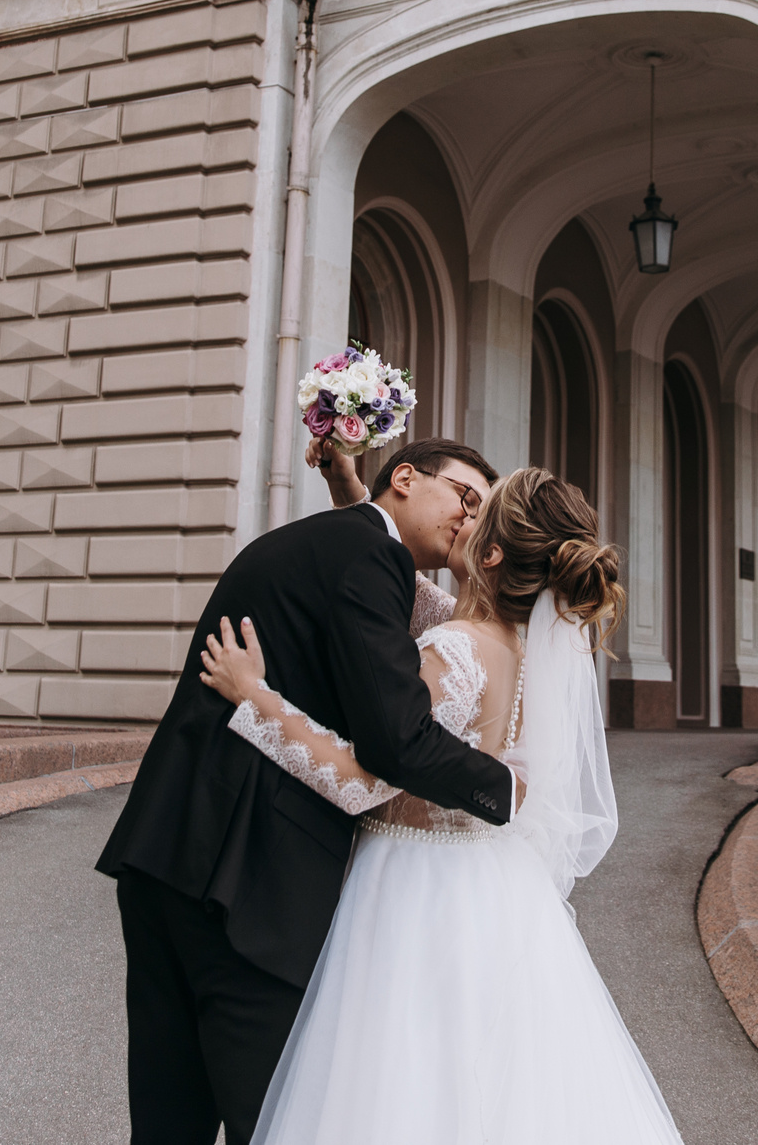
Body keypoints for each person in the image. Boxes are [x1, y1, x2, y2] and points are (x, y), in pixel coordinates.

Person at [200, 467, 685, 1144]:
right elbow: (407, 585)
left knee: (399, 1077)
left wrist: (255, 697)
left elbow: (366, 782)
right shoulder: (515, 646)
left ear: (490, 554)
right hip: (490, 879)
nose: (461, 517)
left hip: (411, 881)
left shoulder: (455, 651)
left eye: (477, 511)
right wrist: (356, 495)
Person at [94, 438, 516, 1145]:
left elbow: (428, 615)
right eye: (465, 498)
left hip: (165, 853)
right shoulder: (370, 558)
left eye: (483, 515)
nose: (469, 521)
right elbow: (396, 743)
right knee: (275, 1120)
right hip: (246, 882)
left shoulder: (338, 543)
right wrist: (504, 786)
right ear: (405, 477)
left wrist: (347, 483)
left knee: (168, 1120)